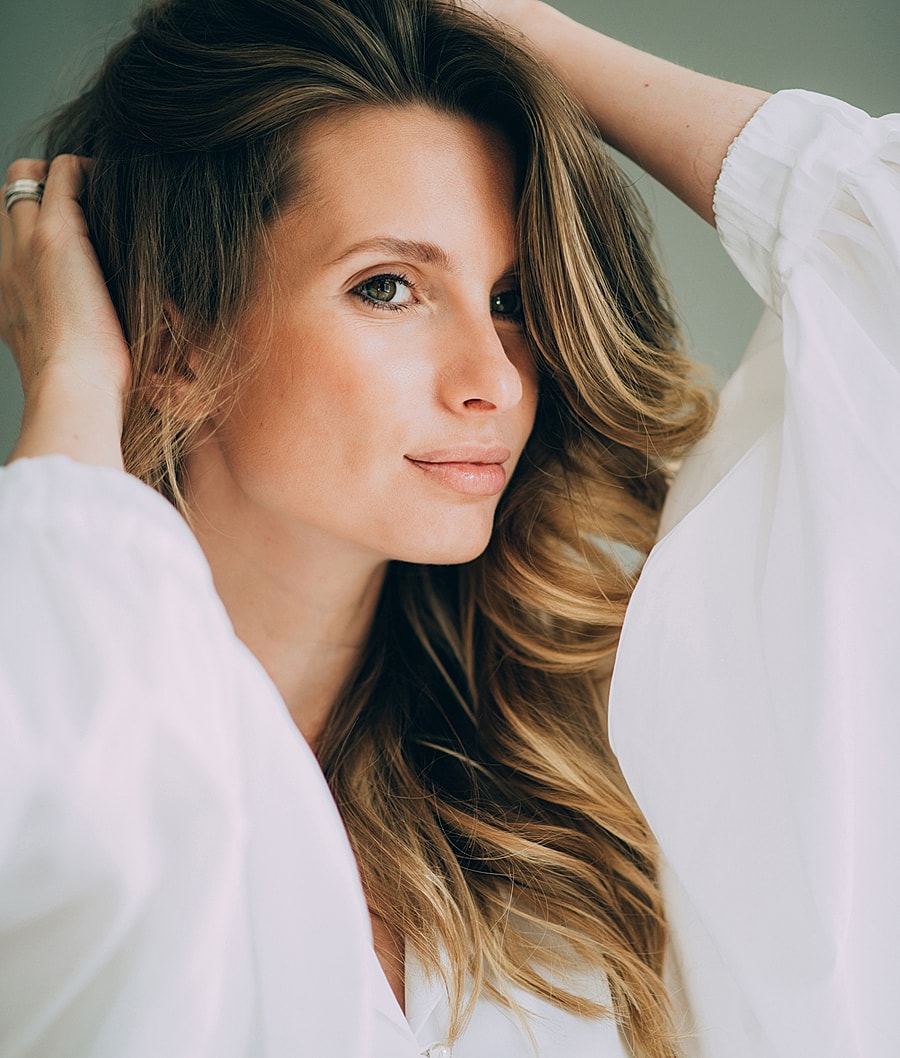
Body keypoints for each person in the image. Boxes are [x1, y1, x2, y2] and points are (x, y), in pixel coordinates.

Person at [0, 1, 897, 1057]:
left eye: (511, 297)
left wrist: (520, 31)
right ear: (172, 338)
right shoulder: (75, 713)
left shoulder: (593, 801)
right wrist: (72, 385)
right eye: (389, 287)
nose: (495, 379)